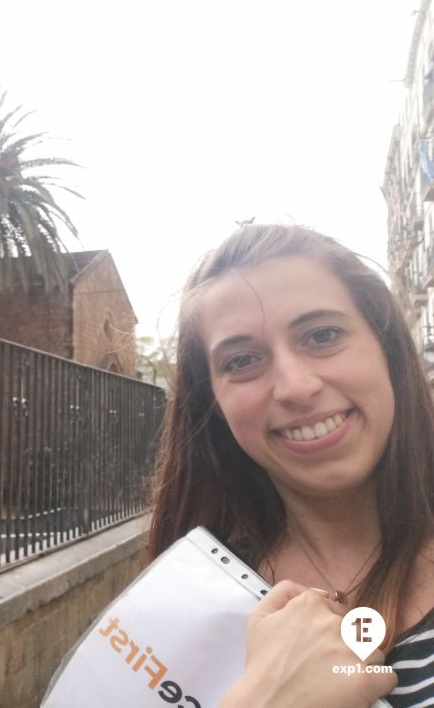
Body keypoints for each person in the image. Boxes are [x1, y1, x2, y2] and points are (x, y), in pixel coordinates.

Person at [148, 223, 434, 707]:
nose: (295, 387)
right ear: (213, 404)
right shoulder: (179, 612)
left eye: (322, 335)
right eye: (242, 361)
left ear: (386, 348)